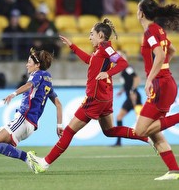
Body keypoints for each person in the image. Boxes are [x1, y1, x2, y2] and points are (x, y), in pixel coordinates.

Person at [26, 18, 152, 174]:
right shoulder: (100, 50)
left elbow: (123, 64)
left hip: (95, 98)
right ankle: (146, 136)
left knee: (69, 131)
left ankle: (44, 163)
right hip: (104, 97)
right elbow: (89, 60)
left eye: (91, 34)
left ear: (100, 35)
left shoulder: (106, 48)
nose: (89, 37)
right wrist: (73, 46)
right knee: (109, 131)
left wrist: (107, 72)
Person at [0, 48, 63, 170]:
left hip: (24, 119)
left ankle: (26, 157)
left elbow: (29, 85)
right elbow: (59, 104)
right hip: (27, 123)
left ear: (37, 65)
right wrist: (59, 125)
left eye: (29, 62)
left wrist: (13, 94)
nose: (26, 65)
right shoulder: (47, 81)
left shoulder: (37, 75)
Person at [133, 0, 179, 180]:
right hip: (165, 82)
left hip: (161, 85)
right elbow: (172, 50)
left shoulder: (150, 32)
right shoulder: (158, 29)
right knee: (154, 131)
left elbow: (160, 54)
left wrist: (150, 79)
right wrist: (164, 68)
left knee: (141, 131)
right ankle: (174, 170)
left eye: (137, 9)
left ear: (141, 13)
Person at [114, 50, 142, 146]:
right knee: (119, 117)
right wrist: (121, 91)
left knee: (141, 120)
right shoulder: (123, 69)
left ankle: (154, 138)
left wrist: (132, 90)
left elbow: (137, 78)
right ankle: (119, 142)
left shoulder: (127, 67)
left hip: (134, 96)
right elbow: (127, 82)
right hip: (129, 97)